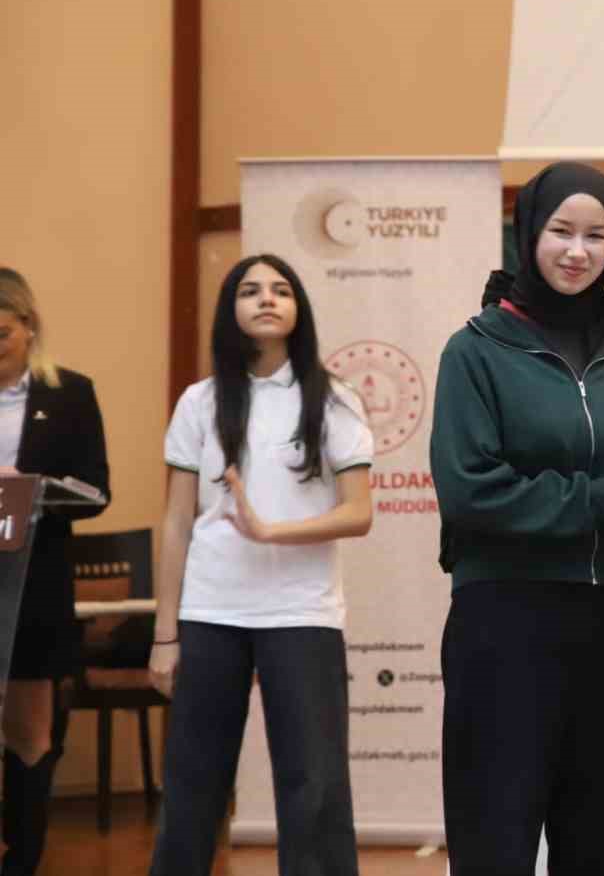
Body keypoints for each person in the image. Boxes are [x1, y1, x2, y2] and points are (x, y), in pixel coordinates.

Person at [431, 161, 604, 876]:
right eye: (561, 231)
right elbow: (471, 491)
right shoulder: (476, 350)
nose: (577, 251)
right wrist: (595, 498)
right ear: (529, 233)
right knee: (496, 832)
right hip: (507, 622)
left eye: (597, 236)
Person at [148, 254, 373, 876]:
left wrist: (273, 530)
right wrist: (165, 634)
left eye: (280, 290)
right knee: (193, 782)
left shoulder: (334, 399)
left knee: (314, 788)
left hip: (302, 613)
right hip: (209, 609)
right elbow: (174, 522)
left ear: (298, 308)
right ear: (231, 310)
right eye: (250, 291)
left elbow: (359, 512)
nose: (266, 299)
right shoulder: (199, 402)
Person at [0, 269, 109, 876]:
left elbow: (97, 492)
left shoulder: (68, 393)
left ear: (29, 328)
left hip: (32, 580)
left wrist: (35, 492)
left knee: (28, 727)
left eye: (3, 332)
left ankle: (23, 859)